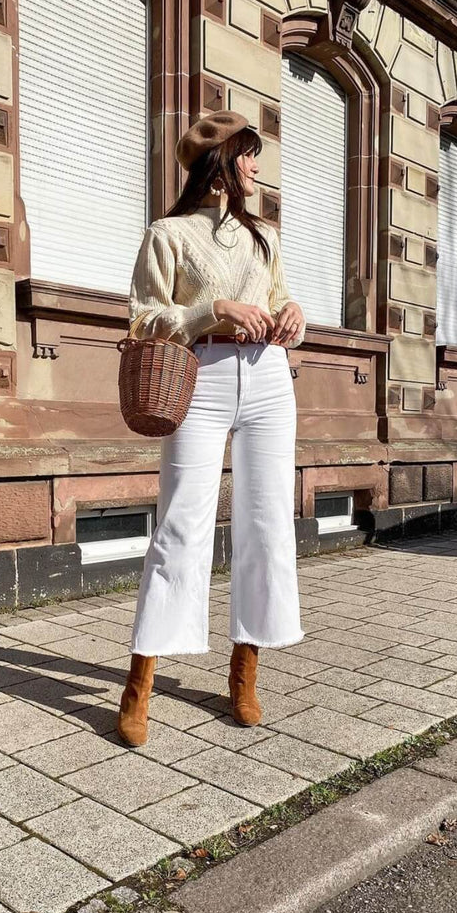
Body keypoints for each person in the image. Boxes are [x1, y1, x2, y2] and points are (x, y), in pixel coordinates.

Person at [117, 110, 307, 748]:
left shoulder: (265, 238)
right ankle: (141, 679)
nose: (256, 166)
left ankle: (244, 670)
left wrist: (294, 316)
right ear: (221, 166)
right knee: (181, 520)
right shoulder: (167, 234)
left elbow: (281, 300)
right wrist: (212, 310)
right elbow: (144, 319)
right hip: (201, 376)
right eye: (248, 156)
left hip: (270, 379)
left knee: (266, 522)